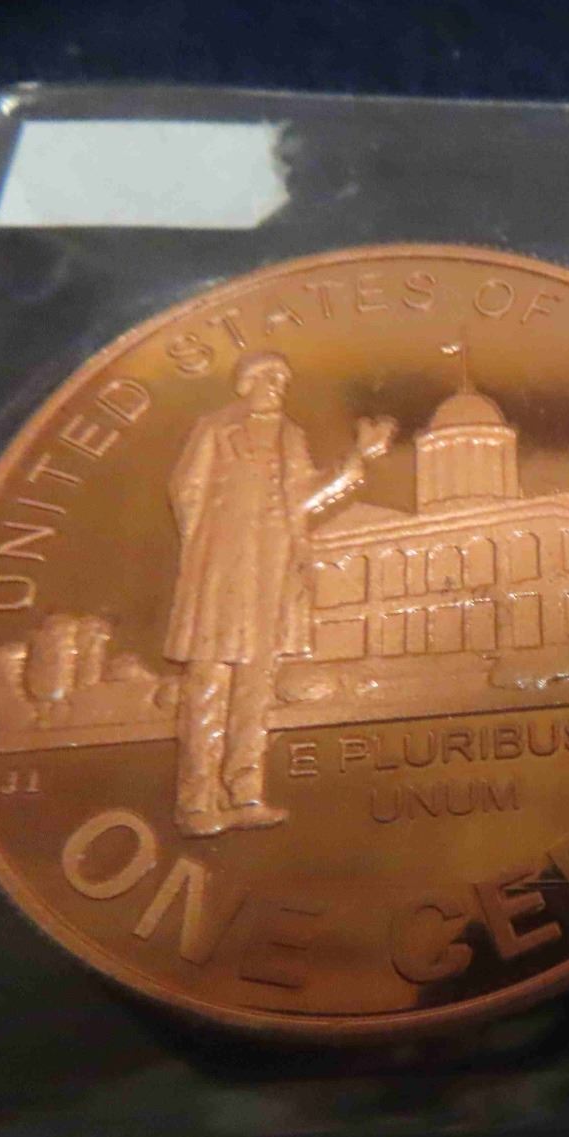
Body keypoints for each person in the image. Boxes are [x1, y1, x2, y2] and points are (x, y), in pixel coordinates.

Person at [162, 352, 395, 836]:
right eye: (268, 376)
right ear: (244, 382)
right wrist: (208, 549)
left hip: (271, 573)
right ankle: (197, 802)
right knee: (208, 682)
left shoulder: (291, 436)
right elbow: (187, 491)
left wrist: (358, 457)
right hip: (219, 571)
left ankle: (244, 793)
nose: (278, 385)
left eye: (283, 379)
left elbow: (305, 496)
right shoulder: (214, 428)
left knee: (256, 685)